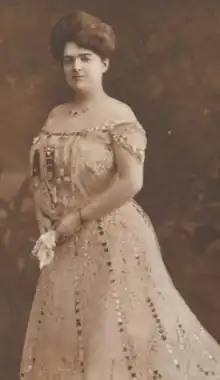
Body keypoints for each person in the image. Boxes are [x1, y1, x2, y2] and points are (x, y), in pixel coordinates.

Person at [20, 10, 220, 380]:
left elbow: (131, 182)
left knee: (111, 339)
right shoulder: (56, 115)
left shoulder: (117, 114)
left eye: (86, 58)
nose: (77, 67)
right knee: (69, 339)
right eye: (69, 60)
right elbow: (42, 172)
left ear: (104, 63)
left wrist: (75, 220)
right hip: (62, 244)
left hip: (111, 240)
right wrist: (45, 221)